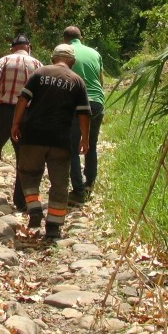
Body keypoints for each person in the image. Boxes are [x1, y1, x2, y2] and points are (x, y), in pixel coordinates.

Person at [11, 44, 90, 240]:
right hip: (60, 139)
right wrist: (85, 139)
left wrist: (15, 124)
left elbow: (23, 99)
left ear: (53, 57)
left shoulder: (40, 73)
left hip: (33, 135)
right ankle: (54, 227)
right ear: (72, 61)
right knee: (60, 183)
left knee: (28, 173)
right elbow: (84, 113)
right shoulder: (77, 81)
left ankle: (35, 209)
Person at [0, 34, 42, 209]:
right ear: (29, 47)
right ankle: (21, 200)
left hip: (3, 112)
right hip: (26, 114)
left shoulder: (4, 61)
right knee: (23, 158)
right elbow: (40, 94)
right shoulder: (37, 65)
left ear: (12, 48)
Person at [62, 26, 104, 204]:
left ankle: (78, 191)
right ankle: (89, 184)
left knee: (72, 147)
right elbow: (100, 81)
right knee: (91, 144)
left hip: (77, 104)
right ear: (81, 37)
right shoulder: (94, 53)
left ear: (65, 39)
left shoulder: (66, 52)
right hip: (97, 103)